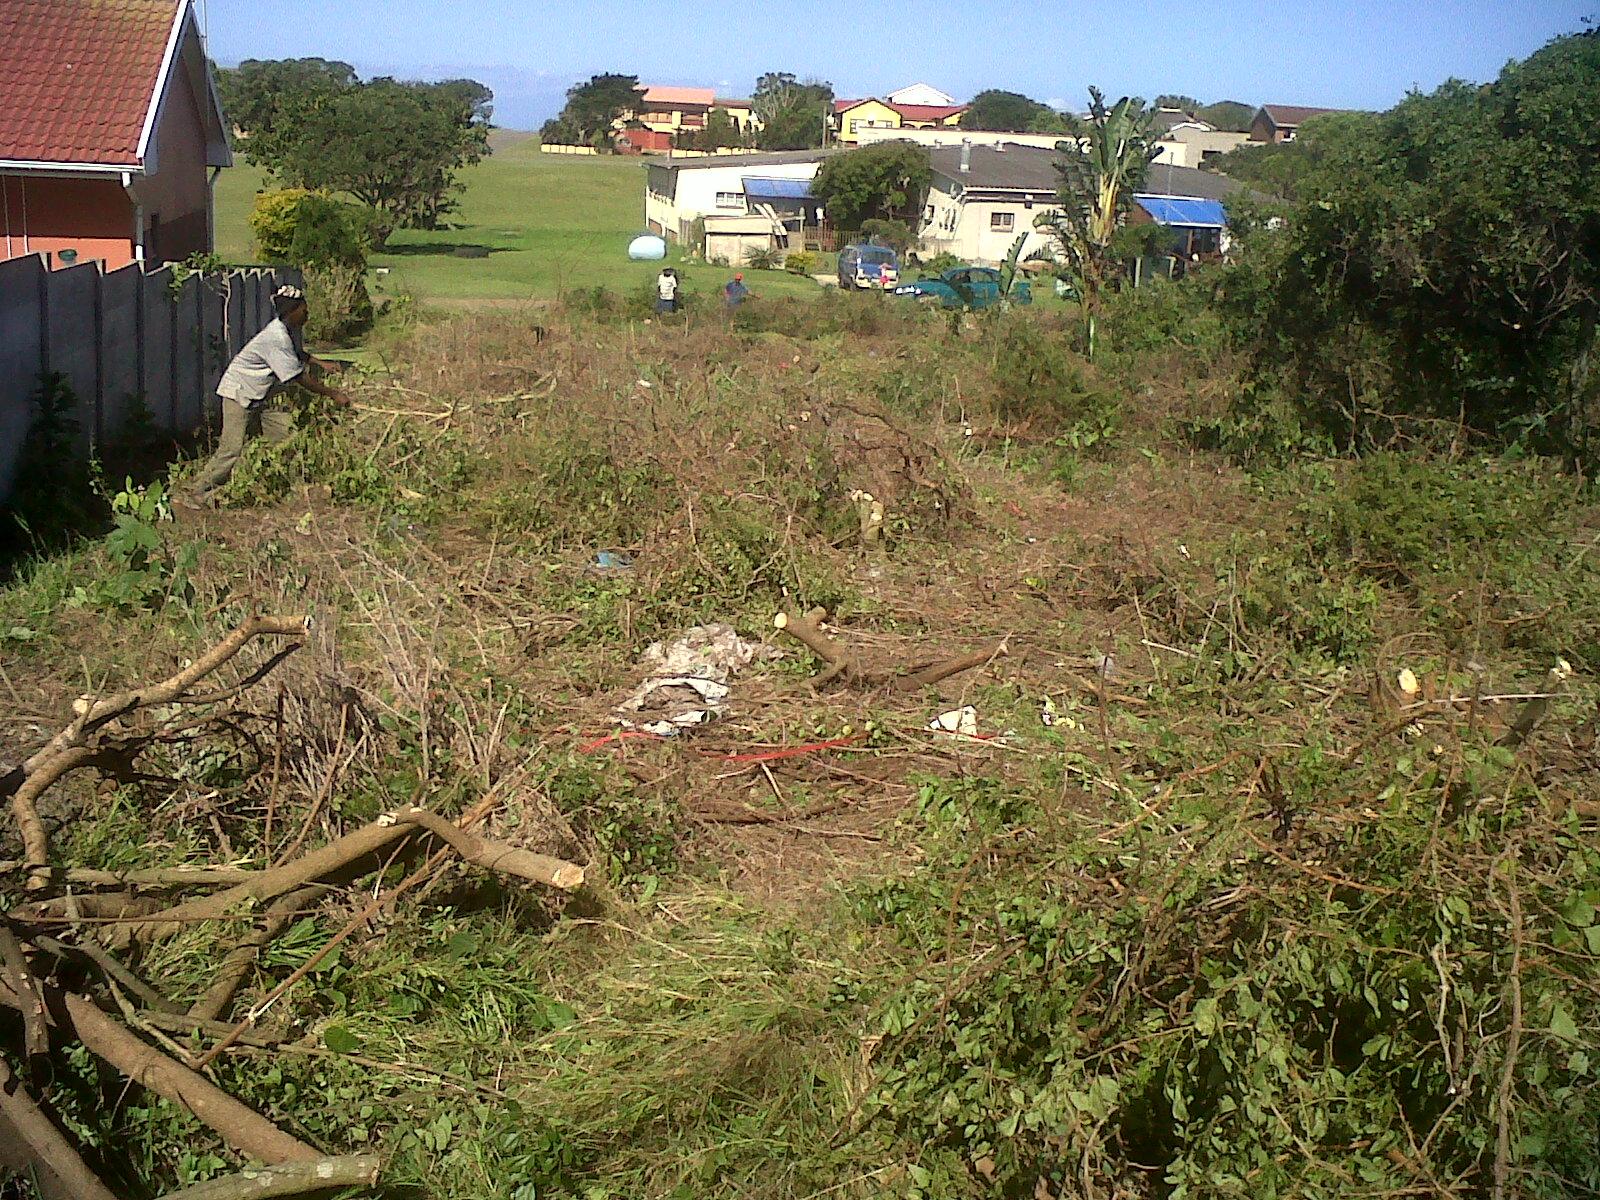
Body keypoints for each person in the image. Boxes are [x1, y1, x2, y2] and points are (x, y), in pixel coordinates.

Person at [182, 285, 349, 508]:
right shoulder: (276, 338)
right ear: (293, 311)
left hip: (260, 395)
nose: (308, 314)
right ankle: (196, 492)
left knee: (285, 437)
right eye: (304, 310)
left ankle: (284, 486)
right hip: (239, 394)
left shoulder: (288, 330)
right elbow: (297, 377)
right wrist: (333, 394)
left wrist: (321, 363)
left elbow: (298, 355)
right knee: (231, 449)